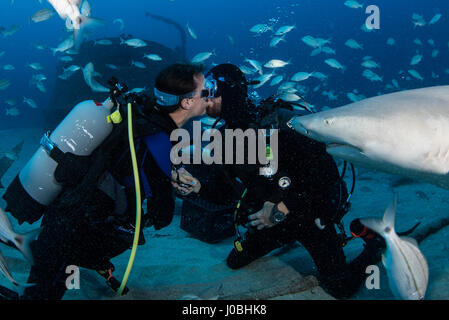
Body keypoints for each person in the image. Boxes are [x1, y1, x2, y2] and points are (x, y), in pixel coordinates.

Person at [172, 63, 385, 299]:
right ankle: (286, 236)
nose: (205, 99)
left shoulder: (280, 123)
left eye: (211, 92)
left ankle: (375, 245)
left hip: (309, 212)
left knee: (340, 288)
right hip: (271, 220)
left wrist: (283, 207)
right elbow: (226, 192)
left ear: (230, 93)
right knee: (235, 260)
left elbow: (324, 177)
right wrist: (198, 187)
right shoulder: (223, 139)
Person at [6, 63, 210, 300]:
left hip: (69, 211)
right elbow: (162, 214)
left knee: (50, 275)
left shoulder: (142, 114)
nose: (210, 95)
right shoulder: (158, 137)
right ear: (186, 102)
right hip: (73, 226)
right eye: (205, 91)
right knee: (43, 292)